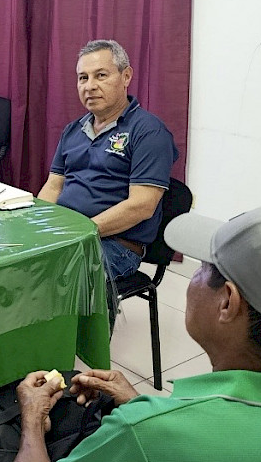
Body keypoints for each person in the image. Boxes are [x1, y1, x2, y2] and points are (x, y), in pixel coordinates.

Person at [11, 202, 261, 462]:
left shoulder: (145, 435)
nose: (195, 278)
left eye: (204, 267)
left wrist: (33, 418)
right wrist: (143, 406)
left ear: (227, 303)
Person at [36, 39, 178, 283]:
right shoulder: (73, 130)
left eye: (101, 75)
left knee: (44, 277)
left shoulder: (149, 132)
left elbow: (142, 205)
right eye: (83, 78)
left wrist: (80, 232)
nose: (90, 86)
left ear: (126, 76)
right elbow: (53, 186)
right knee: (6, 259)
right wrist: (38, 223)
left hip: (115, 244)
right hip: (66, 233)